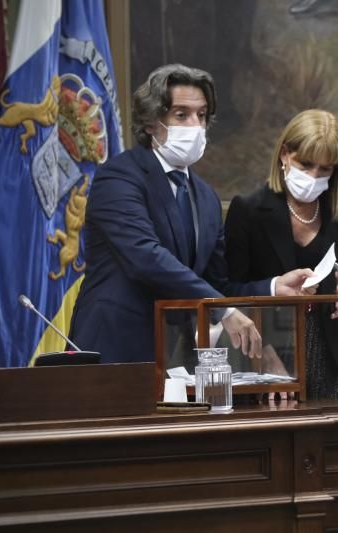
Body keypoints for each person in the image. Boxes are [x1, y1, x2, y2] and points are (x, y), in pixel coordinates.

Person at [69, 64, 312, 365]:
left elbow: (216, 285)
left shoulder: (206, 197)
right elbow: (146, 257)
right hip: (113, 349)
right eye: (181, 114)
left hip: (172, 361)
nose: (195, 125)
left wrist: (274, 287)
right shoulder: (118, 178)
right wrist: (223, 309)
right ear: (150, 122)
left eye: (202, 115)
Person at [224, 109, 338, 400]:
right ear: (284, 155)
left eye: (325, 170)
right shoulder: (249, 210)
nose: (314, 176)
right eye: (306, 164)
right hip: (261, 354)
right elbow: (227, 290)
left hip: (324, 356)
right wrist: (272, 289)